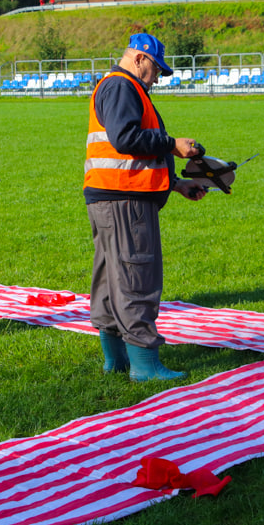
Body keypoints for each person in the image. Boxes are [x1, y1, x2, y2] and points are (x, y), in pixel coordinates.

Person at [84, 33, 207, 382]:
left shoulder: (114, 85)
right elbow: (126, 139)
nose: (157, 78)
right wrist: (173, 144)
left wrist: (177, 184)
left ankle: (116, 358)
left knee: (110, 277)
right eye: (156, 69)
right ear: (140, 59)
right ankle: (144, 364)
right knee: (137, 276)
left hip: (109, 196)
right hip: (126, 200)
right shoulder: (124, 86)